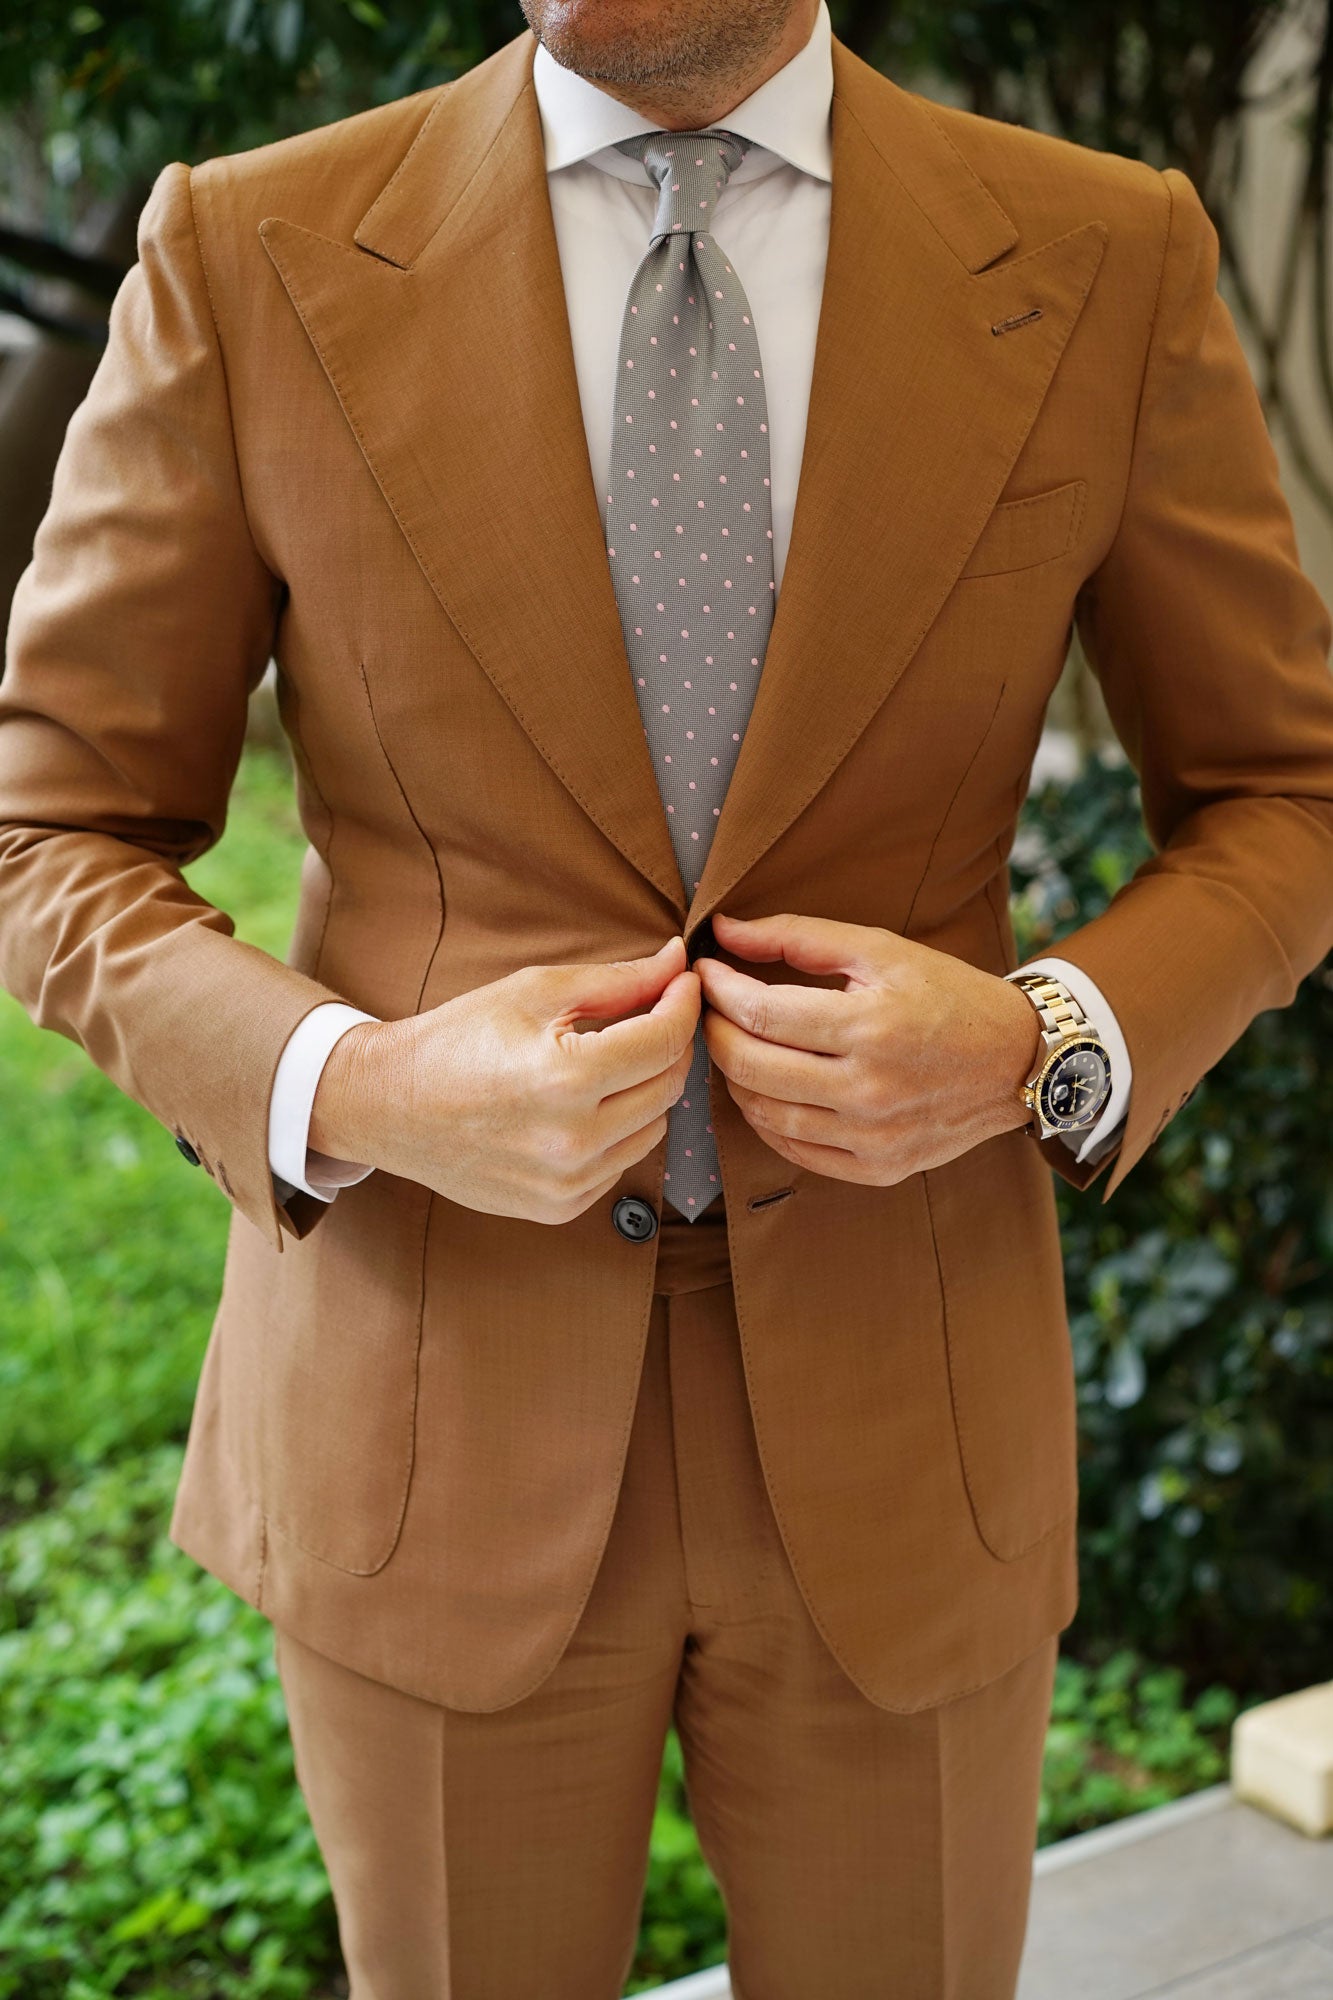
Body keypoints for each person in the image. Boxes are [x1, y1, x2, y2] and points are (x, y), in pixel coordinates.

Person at [2, 0, 1331, 1992]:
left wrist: (1041, 1033)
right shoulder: (247, 248)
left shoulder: (1097, 252)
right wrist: (359, 1083)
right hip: (429, 1408)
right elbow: (51, 829)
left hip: (911, 1409)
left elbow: (1282, 791)